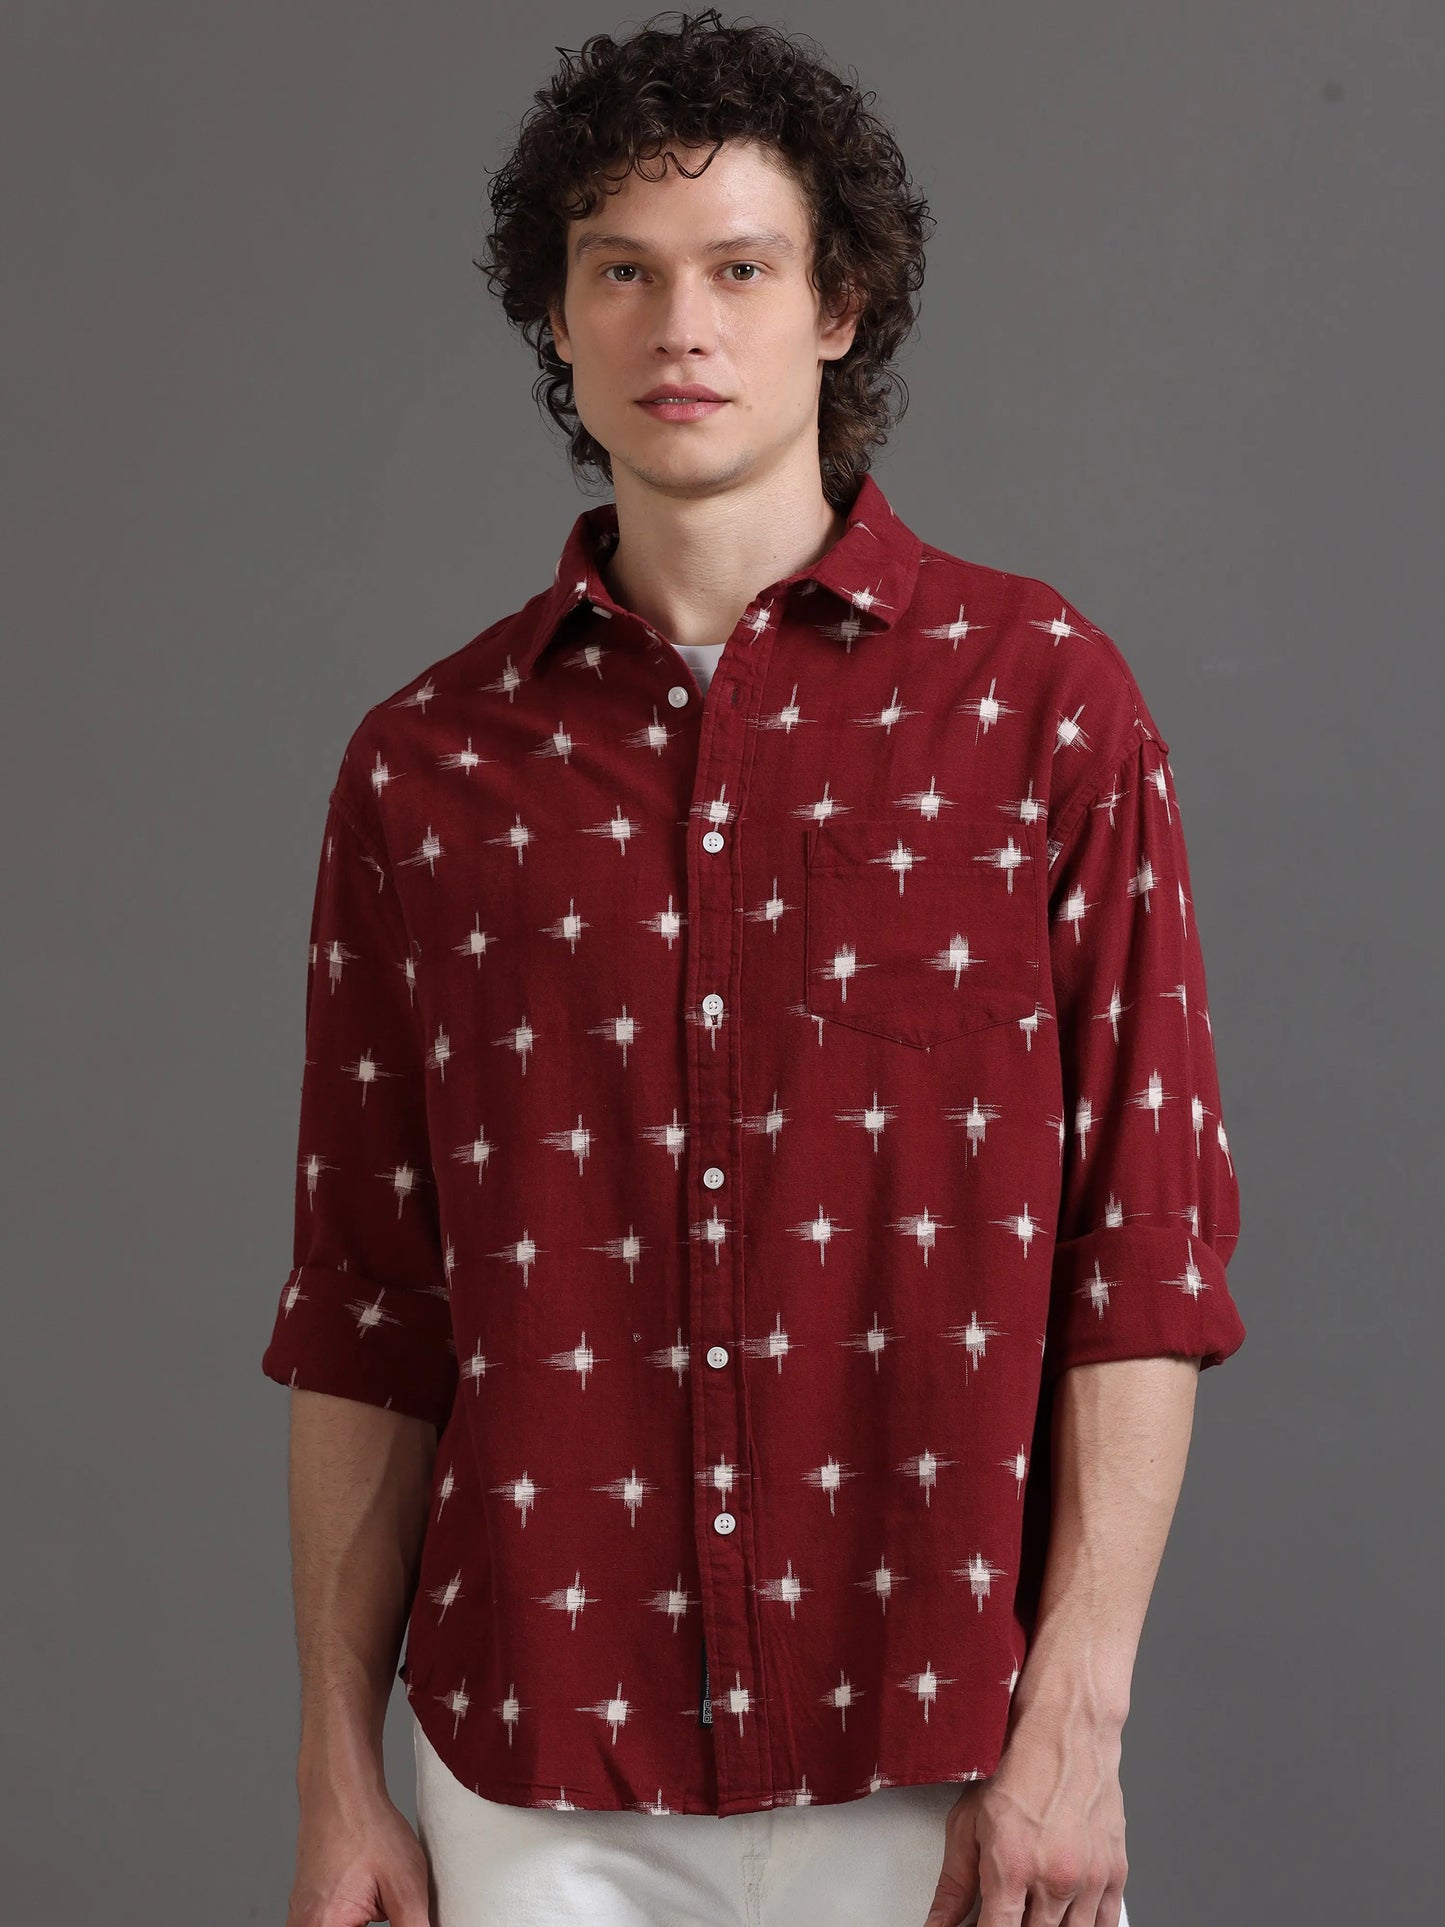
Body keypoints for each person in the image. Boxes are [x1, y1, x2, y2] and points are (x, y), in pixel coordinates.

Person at [260, 11, 1246, 1925]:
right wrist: (333, 1769)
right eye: (620, 271)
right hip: (532, 1768)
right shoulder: (425, 768)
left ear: (837, 307)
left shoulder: (1039, 704)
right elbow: (369, 1303)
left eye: (737, 268)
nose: (678, 328)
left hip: (948, 1742)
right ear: (558, 318)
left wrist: (1075, 1724)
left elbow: (1141, 1252)